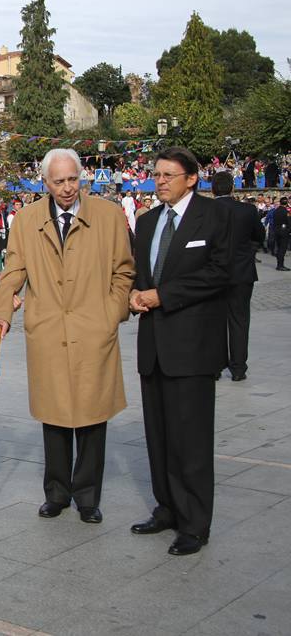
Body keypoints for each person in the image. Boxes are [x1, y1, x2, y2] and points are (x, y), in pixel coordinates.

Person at [0, 148, 135, 524]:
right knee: (53, 415)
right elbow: (13, 270)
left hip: (93, 328)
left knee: (92, 414)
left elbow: (124, 271)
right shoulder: (26, 219)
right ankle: (56, 492)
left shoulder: (108, 215)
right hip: (49, 329)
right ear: (45, 183)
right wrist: (1, 310)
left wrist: (112, 311)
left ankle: (88, 496)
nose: (68, 187)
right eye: (60, 181)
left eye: (73, 179)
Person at [130, 147, 231, 556]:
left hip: (192, 347)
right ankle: (167, 507)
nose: (161, 181)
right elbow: (140, 272)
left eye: (169, 175)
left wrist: (162, 296)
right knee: (158, 435)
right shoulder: (149, 220)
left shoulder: (215, 216)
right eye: (157, 174)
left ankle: (195, 523)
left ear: (192, 178)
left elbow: (221, 273)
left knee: (190, 439)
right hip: (153, 344)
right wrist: (136, 294)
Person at [212, 171, 265, 380]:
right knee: (240, 320)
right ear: (232, 188)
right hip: (242, 272)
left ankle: (215, 367)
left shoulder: (206, 210)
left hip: (214, 273)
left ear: (213, 189)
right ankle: (238, 368)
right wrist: (248, 251)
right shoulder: (248, 211)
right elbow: (259, 236)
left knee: (214, 320)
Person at [274, 197, 289, 271]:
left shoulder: (276, 210)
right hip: (284, 232)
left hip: (277, 231)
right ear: (286, 203)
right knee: (282, 250)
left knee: (279, 248)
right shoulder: (286, 211)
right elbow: (288, 222)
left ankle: (279, 264)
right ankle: (280, 265)